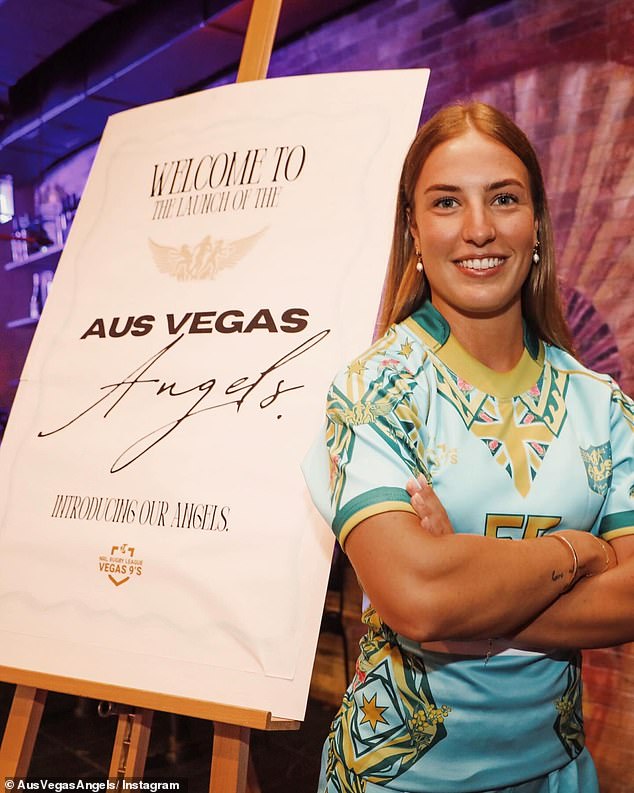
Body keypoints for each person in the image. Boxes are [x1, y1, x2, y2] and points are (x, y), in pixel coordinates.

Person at [302, 101, 634, 793]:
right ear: (413, 230)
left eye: (504, 199)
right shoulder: (374, 393)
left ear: (536, 223)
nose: (479, 228)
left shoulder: (599, 402)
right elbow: (421, 597)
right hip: (403, 778)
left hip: (559, 774)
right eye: (447, 202)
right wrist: (579, 551)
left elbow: (440, 604)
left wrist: (472, 595)